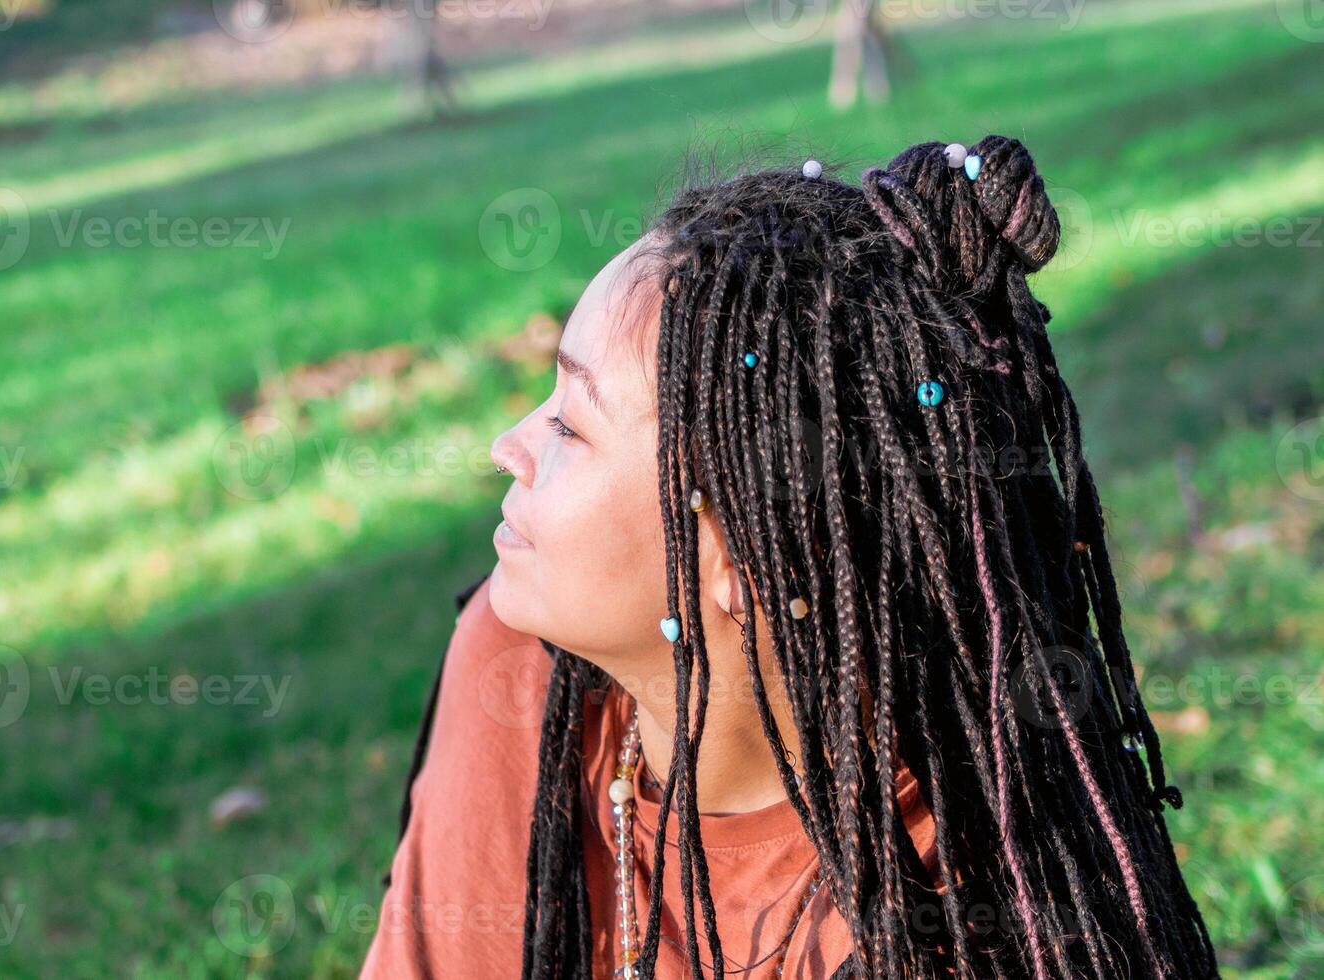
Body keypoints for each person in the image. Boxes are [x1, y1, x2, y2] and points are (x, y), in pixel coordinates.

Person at [361, 135, 1218, 979]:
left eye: (569, 426)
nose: (505, 446)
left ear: (744, 558)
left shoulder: (966, 916)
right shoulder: (518, 674)